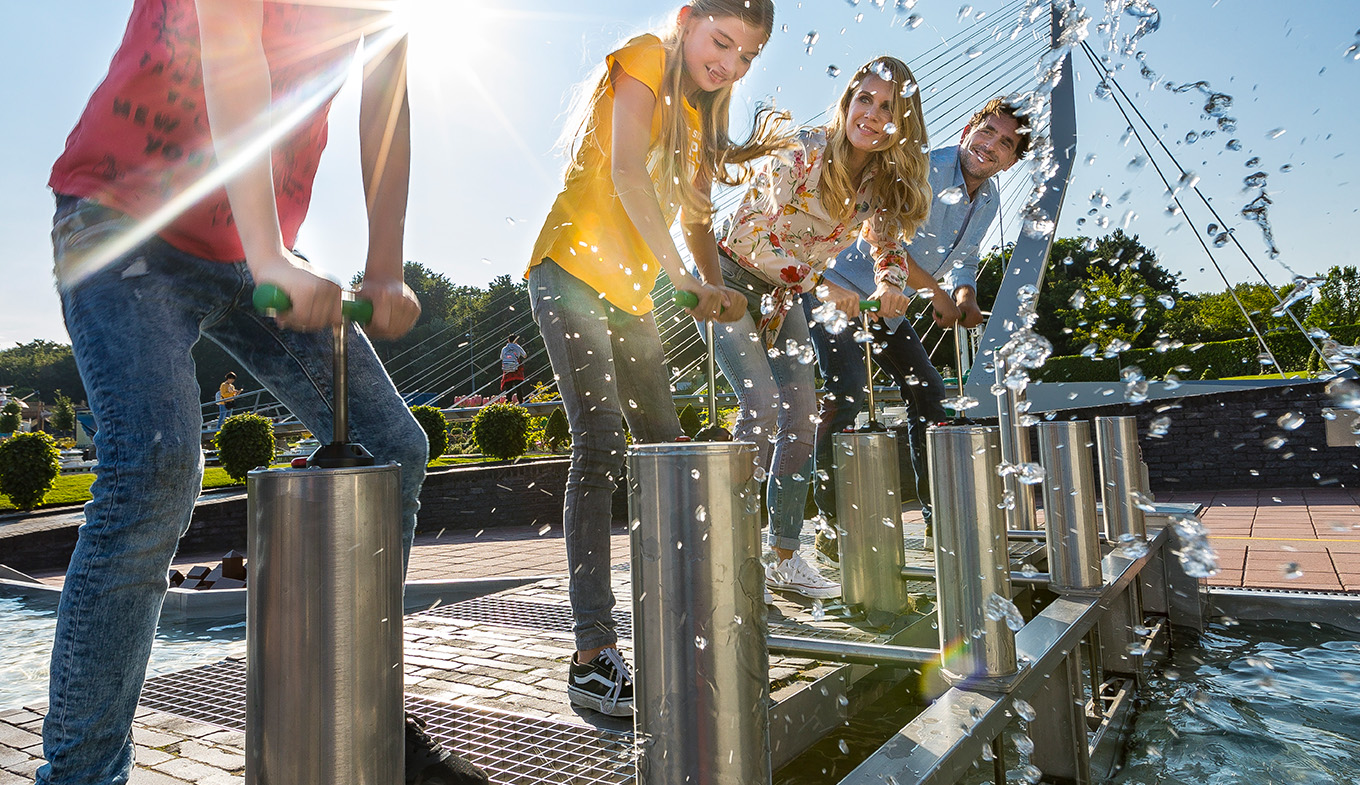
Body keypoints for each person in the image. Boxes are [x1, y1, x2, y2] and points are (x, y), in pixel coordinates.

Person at [42, 2, 487, 783]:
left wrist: (386, 262)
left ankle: (355, 710)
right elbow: (233, 54)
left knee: (392, 448)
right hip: (122, 214)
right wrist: (272, 253)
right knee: (154, 466)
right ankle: (80, 773)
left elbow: (385, 104)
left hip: (254, 249)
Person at [526, 0, 788, 717]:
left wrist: (715, 287)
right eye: (722, 40)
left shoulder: (703, 122)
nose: (729, 63)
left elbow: (698, 222)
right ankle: (590, 654)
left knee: (666, 452)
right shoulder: (645, 53)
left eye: (746, 57)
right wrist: (678, 277)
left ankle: (689, 622)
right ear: (687, 19)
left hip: (631, 297)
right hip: (570, 272)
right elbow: (627, 174)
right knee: (602, 440)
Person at [706, 56, 956, 601]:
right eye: (864, 99)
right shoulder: (803, 149)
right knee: (763, 408)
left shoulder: (880, 182)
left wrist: (891, 284)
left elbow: (887, 244)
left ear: (901, 123)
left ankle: (784, 555)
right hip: (733, 283)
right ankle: (727, 552)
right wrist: (825, 288)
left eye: (887, 107)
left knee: (800, 418)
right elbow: (766, 232)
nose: (871, 113)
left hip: (784, 297)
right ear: (848, 102)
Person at [808, 96, 1029, 563]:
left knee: (927, 390)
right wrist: (937, 293)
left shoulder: (987, 199)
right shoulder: (924, 167)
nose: (990, 145)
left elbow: (966, 257)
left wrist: (965, 293)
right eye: (987, 131)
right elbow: (887, 240)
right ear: (970, 127)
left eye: (1005, 143)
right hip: (841, 286)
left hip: (889, 304)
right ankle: (829, 523)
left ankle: (937, 519)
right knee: (846, 389)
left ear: (1011, 161)